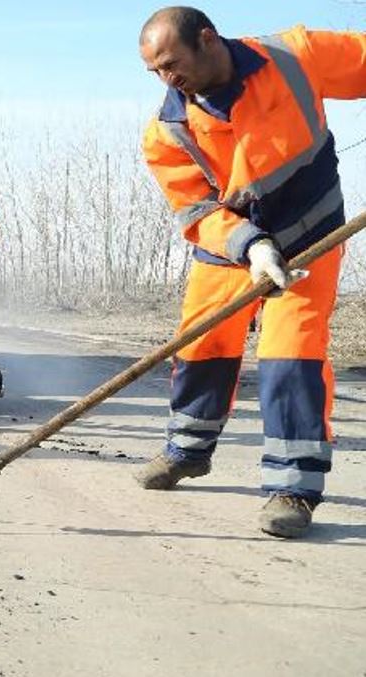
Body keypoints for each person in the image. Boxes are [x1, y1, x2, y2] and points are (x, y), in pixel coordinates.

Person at [134, 7, 366, 538]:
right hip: (233, 245)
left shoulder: (295, 57)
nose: (168, 79)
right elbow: (193, 210)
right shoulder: (166, 131)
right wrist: (249, 245)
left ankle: (293, 488)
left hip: (311, 235)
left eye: (172, 63)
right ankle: (188, 449)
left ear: (208, 40)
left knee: (291, 353)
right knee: (201, 343)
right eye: (156, 72)